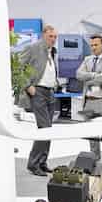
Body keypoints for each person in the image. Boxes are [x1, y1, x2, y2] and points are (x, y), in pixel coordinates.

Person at [76, 33, 102, 169]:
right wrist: (94, 75)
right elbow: (78, 74)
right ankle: (94, 164)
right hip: (89, 102)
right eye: (92, 45)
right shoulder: (87, 59)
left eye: (96, 45)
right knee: (92, 137)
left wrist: (88, 78)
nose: (93, 47)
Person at [23, 25, 59, 177]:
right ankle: (33, 164)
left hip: (50, 92)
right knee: (44, 128)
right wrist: (27, 86)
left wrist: (55, 83)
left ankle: (42, 163)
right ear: (43, 35)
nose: (53, 39)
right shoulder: (33, 48)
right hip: (38, 92)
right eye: (51, 36)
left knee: (49, 130)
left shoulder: (52, 51)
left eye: (55, 37)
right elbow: (18, 68)